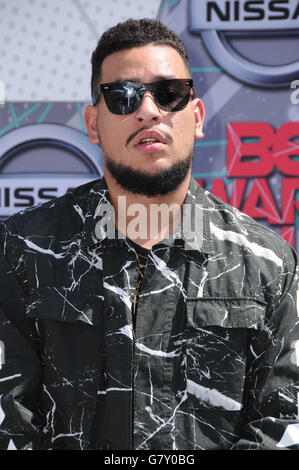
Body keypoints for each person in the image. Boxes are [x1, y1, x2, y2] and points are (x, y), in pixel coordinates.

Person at [0, 18, 298, 451]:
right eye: (121, 96)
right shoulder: (22, 249)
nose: (149, 110)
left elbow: (283, 423)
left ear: (196, 117)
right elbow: (9, 417)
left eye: (169, 93)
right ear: (94, 123)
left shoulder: (267, 262)